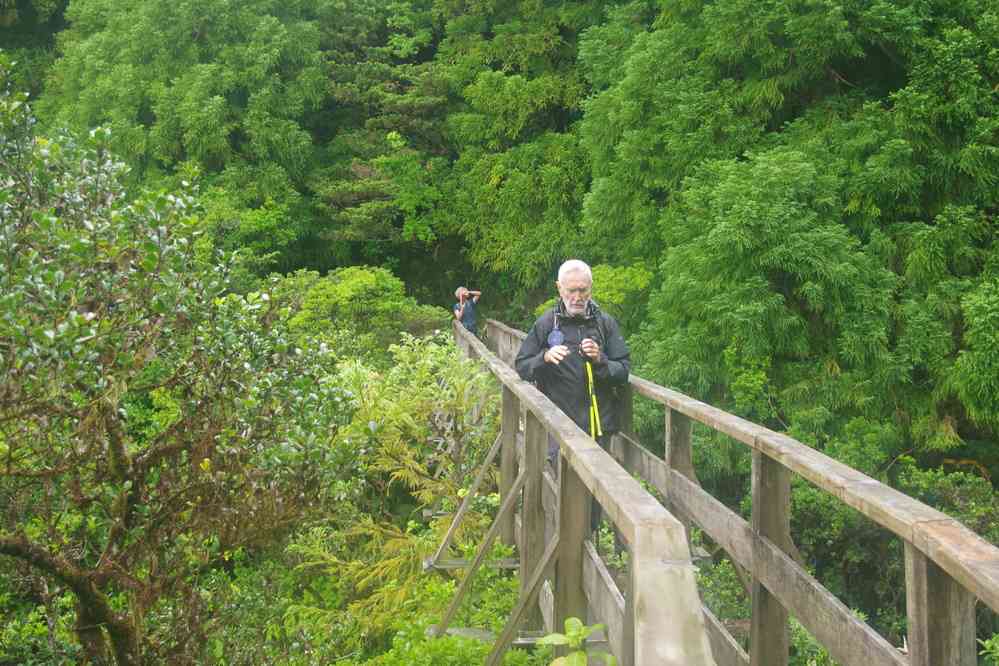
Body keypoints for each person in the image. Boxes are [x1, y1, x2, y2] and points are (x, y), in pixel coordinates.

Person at [514, 259, 630, 530]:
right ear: (559, 288)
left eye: (583, 290)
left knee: (594, 498)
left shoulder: (605, 324)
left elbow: (623, 370)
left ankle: (589, 542)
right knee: (564, 493)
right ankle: (563, 543)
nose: (577, 297)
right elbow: (521, 366)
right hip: (558, 426)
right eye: (571, 290)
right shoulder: (546, 323)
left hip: (598, 427)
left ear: (591, 288)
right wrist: (544, 357)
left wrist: (600, 359)